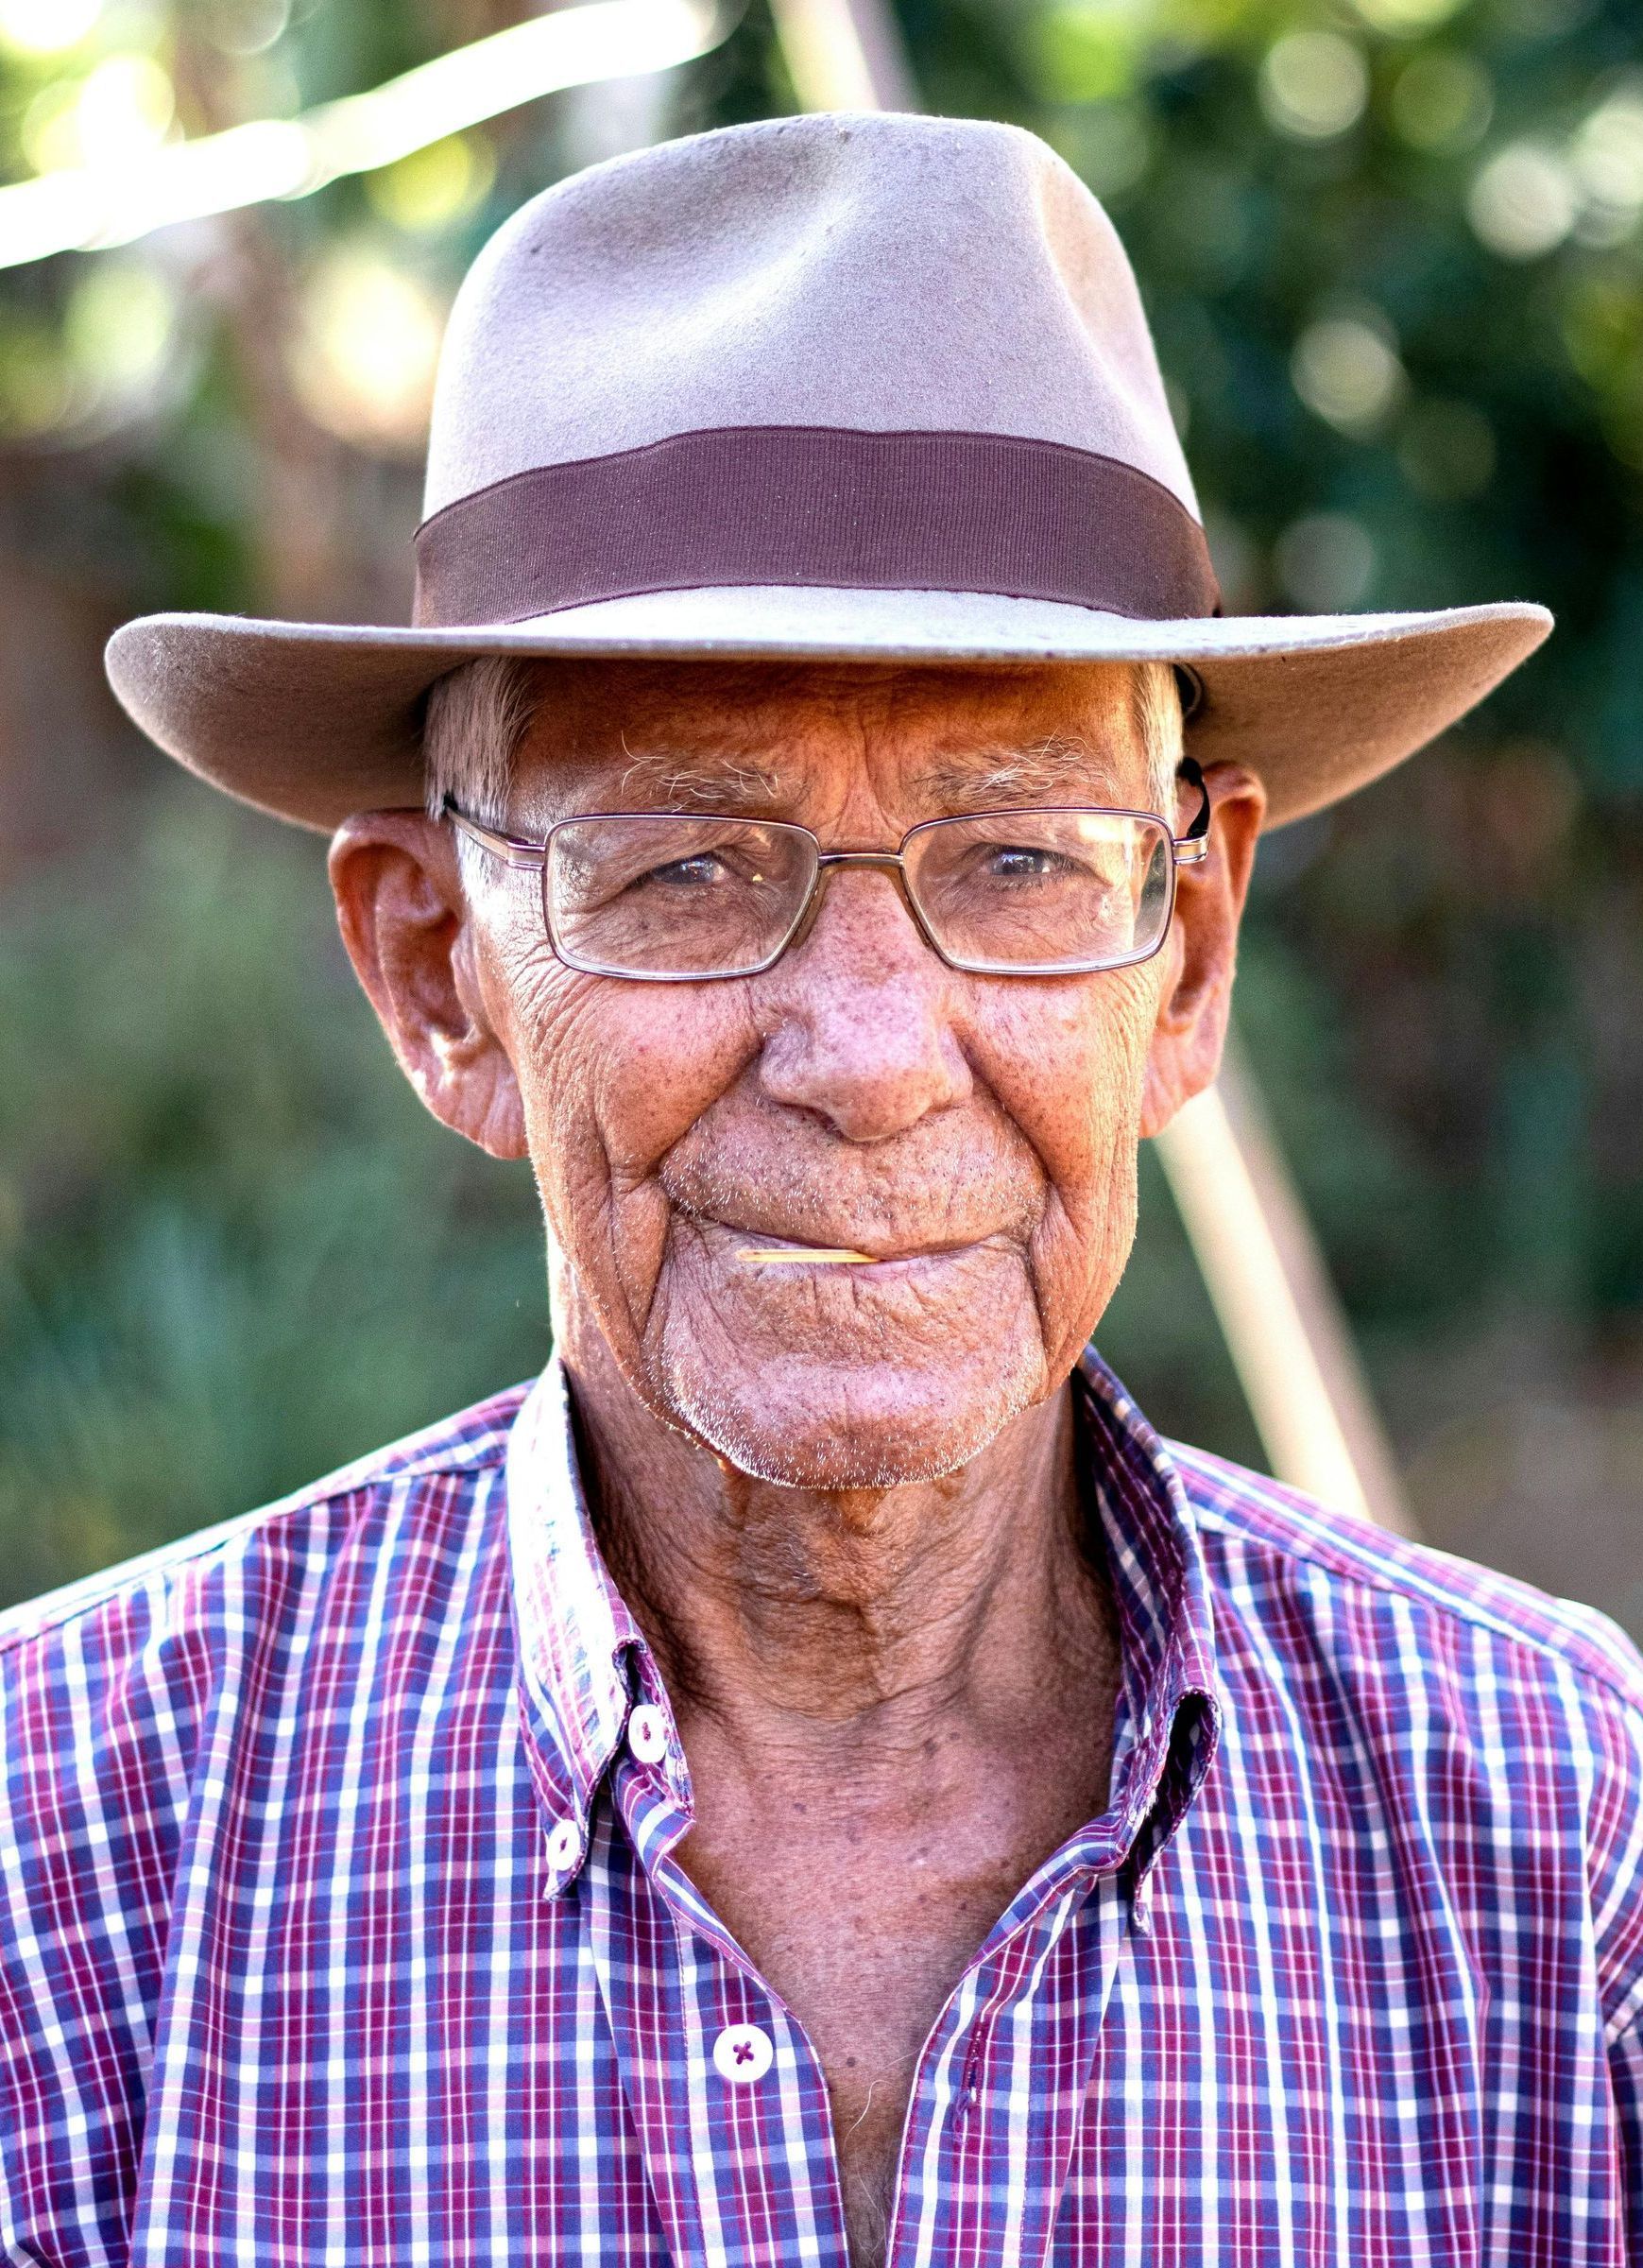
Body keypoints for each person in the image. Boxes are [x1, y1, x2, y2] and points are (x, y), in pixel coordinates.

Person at [3, 112, 1636, 2268]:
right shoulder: (60, 1877)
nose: (867, 1058)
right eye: (685, 869)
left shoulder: (1575, 1853)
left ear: (1193, 956)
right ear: (443, 977)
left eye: (1024, 860)